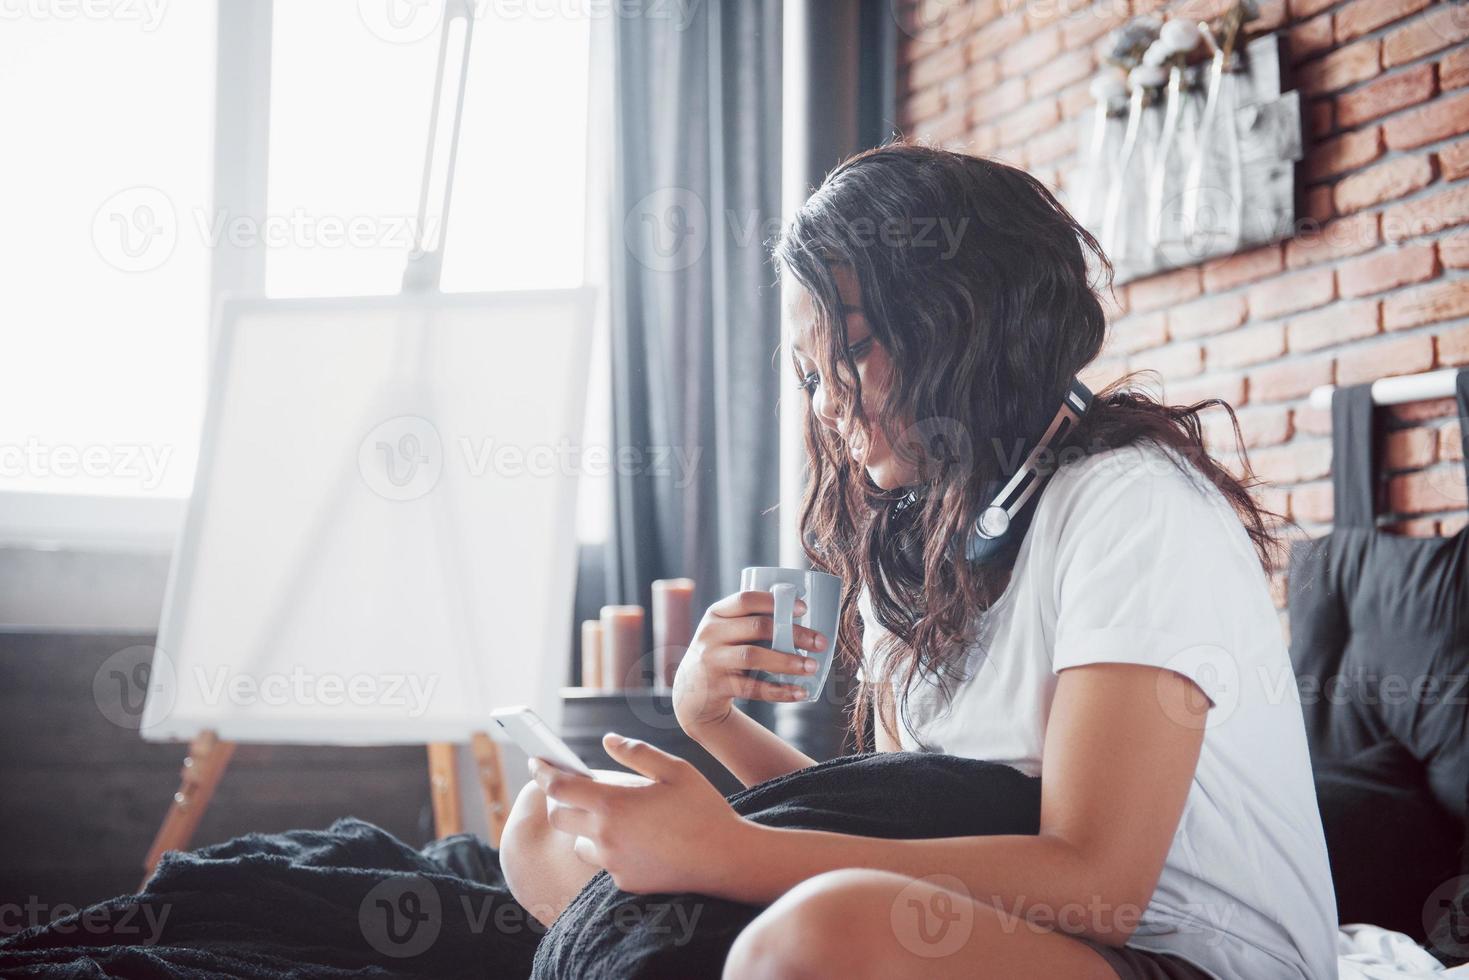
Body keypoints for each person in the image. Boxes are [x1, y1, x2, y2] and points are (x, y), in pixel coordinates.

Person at [499, 142, 1338, 980]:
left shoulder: (1130, 504)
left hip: (1177, 950)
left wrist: (730, 852)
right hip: (997, 926)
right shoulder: (924, 529)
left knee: (816, 937)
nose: (827, 404)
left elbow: (1097, 886)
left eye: (851, 354)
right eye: (808, 372)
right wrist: (710, 722)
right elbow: (902, 819)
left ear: (968, 323)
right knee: (544, 828)